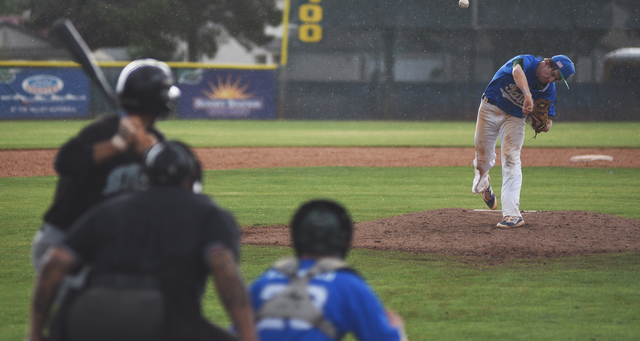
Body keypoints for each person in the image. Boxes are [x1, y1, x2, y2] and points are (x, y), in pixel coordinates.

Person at [27, 140, 257, 341]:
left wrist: (35, 333)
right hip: (158, 312)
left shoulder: (108, 209)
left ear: (144, 175)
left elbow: (54, 263)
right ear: (192, 175)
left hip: (85, 312)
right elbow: (223, 266)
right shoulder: (209, 213)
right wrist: (248, 334)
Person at [31, 58, 181, 271]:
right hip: (62, 242)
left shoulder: (154, 141)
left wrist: (153, 154)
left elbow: (174, 191)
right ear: (161, 102)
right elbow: (65, 162)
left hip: (101, 244)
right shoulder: (102, 131)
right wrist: (117, 144)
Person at [249, 199, 408, 341]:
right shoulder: (347, 284)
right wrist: (397, 329)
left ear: (298, 236)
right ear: (340, 238)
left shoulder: (265, 280)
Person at [472, 54, 575, 228]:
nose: (551, 79)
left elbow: (548, 122)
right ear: (546, 62)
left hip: (514, 118)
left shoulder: (548, 90)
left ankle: (512, 215)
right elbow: (517, 71)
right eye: (552, 73)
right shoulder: (527, 61)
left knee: (511, 158)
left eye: (556, 78)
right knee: (483, 159)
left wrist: (543, 125)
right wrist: (528, 95)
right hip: (489, 108)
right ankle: (483, 184)